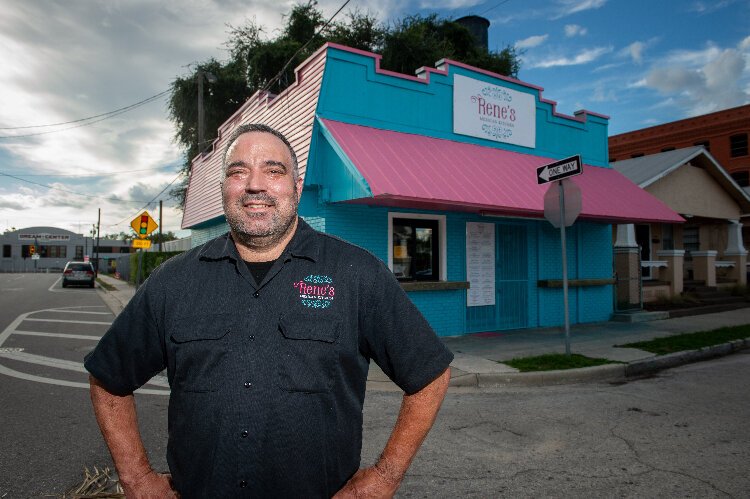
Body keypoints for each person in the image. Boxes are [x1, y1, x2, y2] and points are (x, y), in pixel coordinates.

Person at [85, 123, 453, 498]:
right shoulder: (173, 281)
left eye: (273, 170)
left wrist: (384, 477)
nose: (255, 185)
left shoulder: (357, 273)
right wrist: (136, 479)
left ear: (295, 187)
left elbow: (429, 375)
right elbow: (108, 378)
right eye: (238, 171)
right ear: (224, 189)